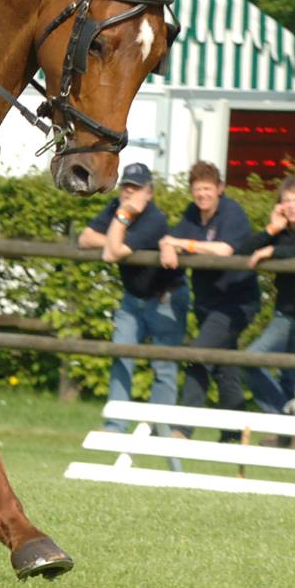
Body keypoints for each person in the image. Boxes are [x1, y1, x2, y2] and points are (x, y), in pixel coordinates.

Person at [76, 162, 188, 431]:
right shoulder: (118, 208)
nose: (129, 193)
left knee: (163, 367)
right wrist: (122, 220)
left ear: (149, 192)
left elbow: (110, 254)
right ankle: (116, 426)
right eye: (126, 187)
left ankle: (158, 429)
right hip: (133, 299)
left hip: (166, 298)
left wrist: (120, 223)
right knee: (121, 356)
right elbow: (85, 238)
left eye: (136, 188)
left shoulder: (154, 220)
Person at [159, 161, 262, 437]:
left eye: (207, 188)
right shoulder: (192, 214)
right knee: (225, 367)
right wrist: (167, 245)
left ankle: (181, 430)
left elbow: (224, 249)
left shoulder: (232, 213)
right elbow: (170, 237)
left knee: (199, 355)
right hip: (207, 302)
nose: (202, 194)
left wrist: (182, 244)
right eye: (197, 189)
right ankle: (236, 433)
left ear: (220, 189)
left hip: (236, 302)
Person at [241, 174, 295, 417]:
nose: (291, 206)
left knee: (286, 372)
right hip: (285, 312)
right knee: (262, 364)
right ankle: (284, 420)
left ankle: (287, 423)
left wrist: (273, 250)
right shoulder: (281, 230)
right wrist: (271, 229)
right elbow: (243, 251)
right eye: (286, 200)